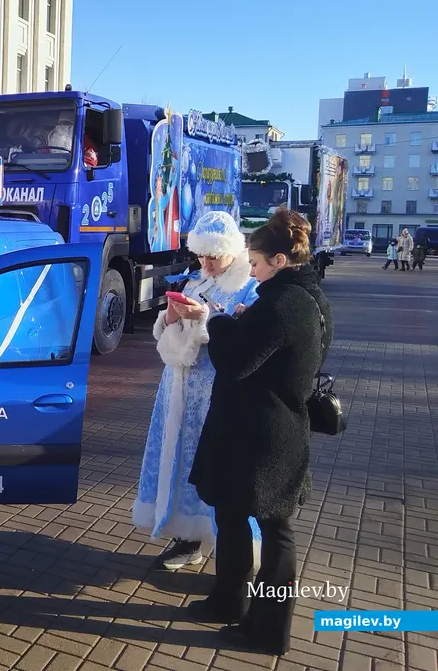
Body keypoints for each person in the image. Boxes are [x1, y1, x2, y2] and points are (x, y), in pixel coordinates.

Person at [181, 207, 332, 656]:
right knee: (232, 514)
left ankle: (268, 629)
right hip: (265, 427)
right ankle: (229, 601)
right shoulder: (306, 298)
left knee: (274, 528)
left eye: (257, 259)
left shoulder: (282, 304)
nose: (251, 265)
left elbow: (236, 362)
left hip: (263, 434)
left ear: (279, 261)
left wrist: (219, 321)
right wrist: (246, 319)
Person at [134, 211, 261, 570]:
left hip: (218, 394)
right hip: (179, 389)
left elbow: (246, 343)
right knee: (181, 462)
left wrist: (206, 320)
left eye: (214, 256)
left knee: (220, 470)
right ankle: (187, 538)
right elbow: (167, 337)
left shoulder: (249, 287)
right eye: (202, 255)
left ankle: (237, 555)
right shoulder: (196, 282)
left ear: (233, 251)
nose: (207, 263)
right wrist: (171, 319)